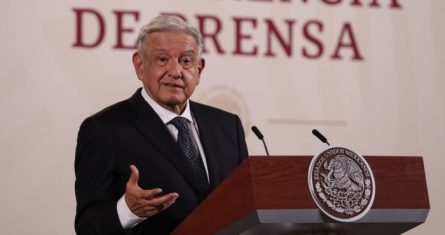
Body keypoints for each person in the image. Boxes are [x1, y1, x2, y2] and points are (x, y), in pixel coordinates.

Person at [74, 15, 249, 234]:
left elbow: (245, 205)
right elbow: (87, 226)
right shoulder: (104, 129)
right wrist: (128, 211)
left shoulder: (227, 126)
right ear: (140, 65)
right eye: (162, 60)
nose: (175, 72)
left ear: (199, 69)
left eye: (186, 61)